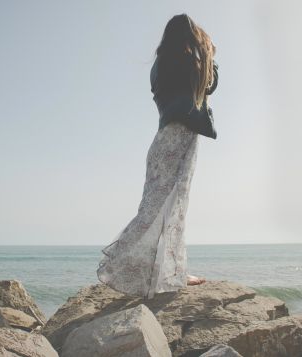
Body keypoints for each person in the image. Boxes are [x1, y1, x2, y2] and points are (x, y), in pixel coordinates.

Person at [97, 13, 218, 299]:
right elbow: (208, 85)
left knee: (154, 207)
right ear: (188, 36)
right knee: (171, 207)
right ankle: (149, 269)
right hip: (179, 138)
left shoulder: (160, 65)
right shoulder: (187, 61)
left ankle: (163, 270)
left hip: (163, 140)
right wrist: (209, 53)